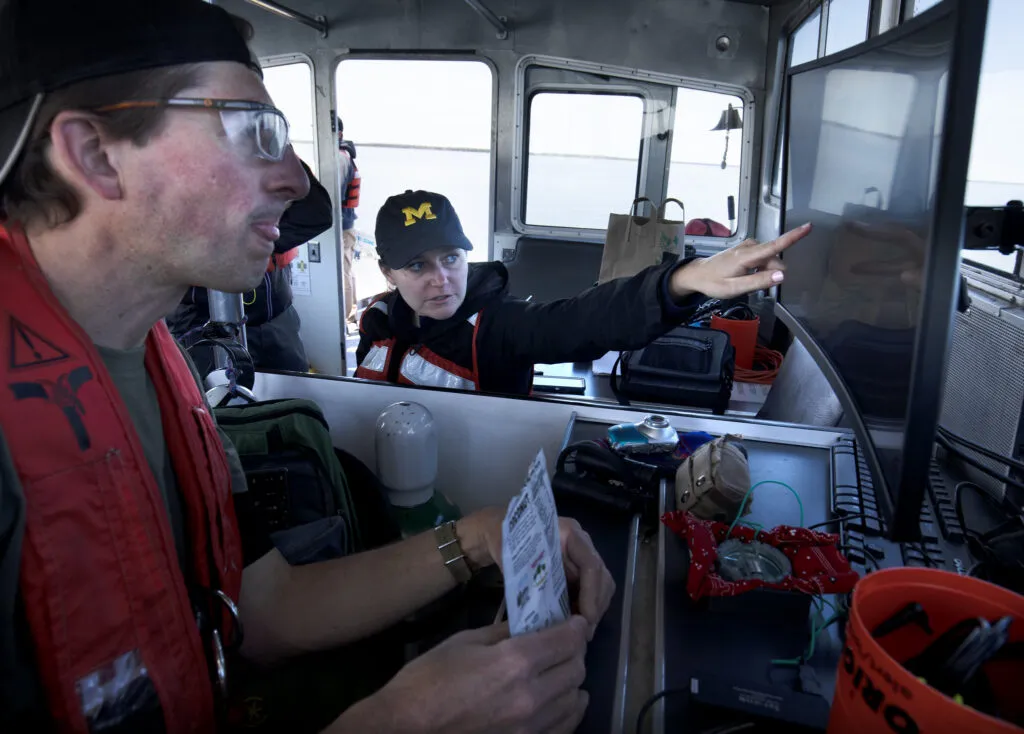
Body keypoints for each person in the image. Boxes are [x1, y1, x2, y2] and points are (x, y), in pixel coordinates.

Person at [0, 2, 614, 733]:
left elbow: (266, 610)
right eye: (255, 132)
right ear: (96, 154)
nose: (295, 179)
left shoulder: (156, 369)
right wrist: (402, 722)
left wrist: (478, 534)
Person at [356, 190, 811, 394]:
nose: (441, 278)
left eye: (451, 258)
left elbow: (586, 319)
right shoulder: (377, 320)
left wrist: (682, 280)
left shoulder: (498, 327)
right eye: (417, 265)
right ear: (387, 273)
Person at [166, 157, 332, 376]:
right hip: (200, 321)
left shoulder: (270, 153)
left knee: (293, 397)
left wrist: (251, 241)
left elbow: (317, 214)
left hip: (276, 318)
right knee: (213, 401)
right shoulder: (170, 166)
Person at [338, 116, 362, 329]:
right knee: (348, 269)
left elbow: (333, 196)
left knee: (343, 271)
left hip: (342, 226)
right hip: (348, 225)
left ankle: (344, 318)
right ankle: (351, 313)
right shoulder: (347, 156)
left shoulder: (339, 159)